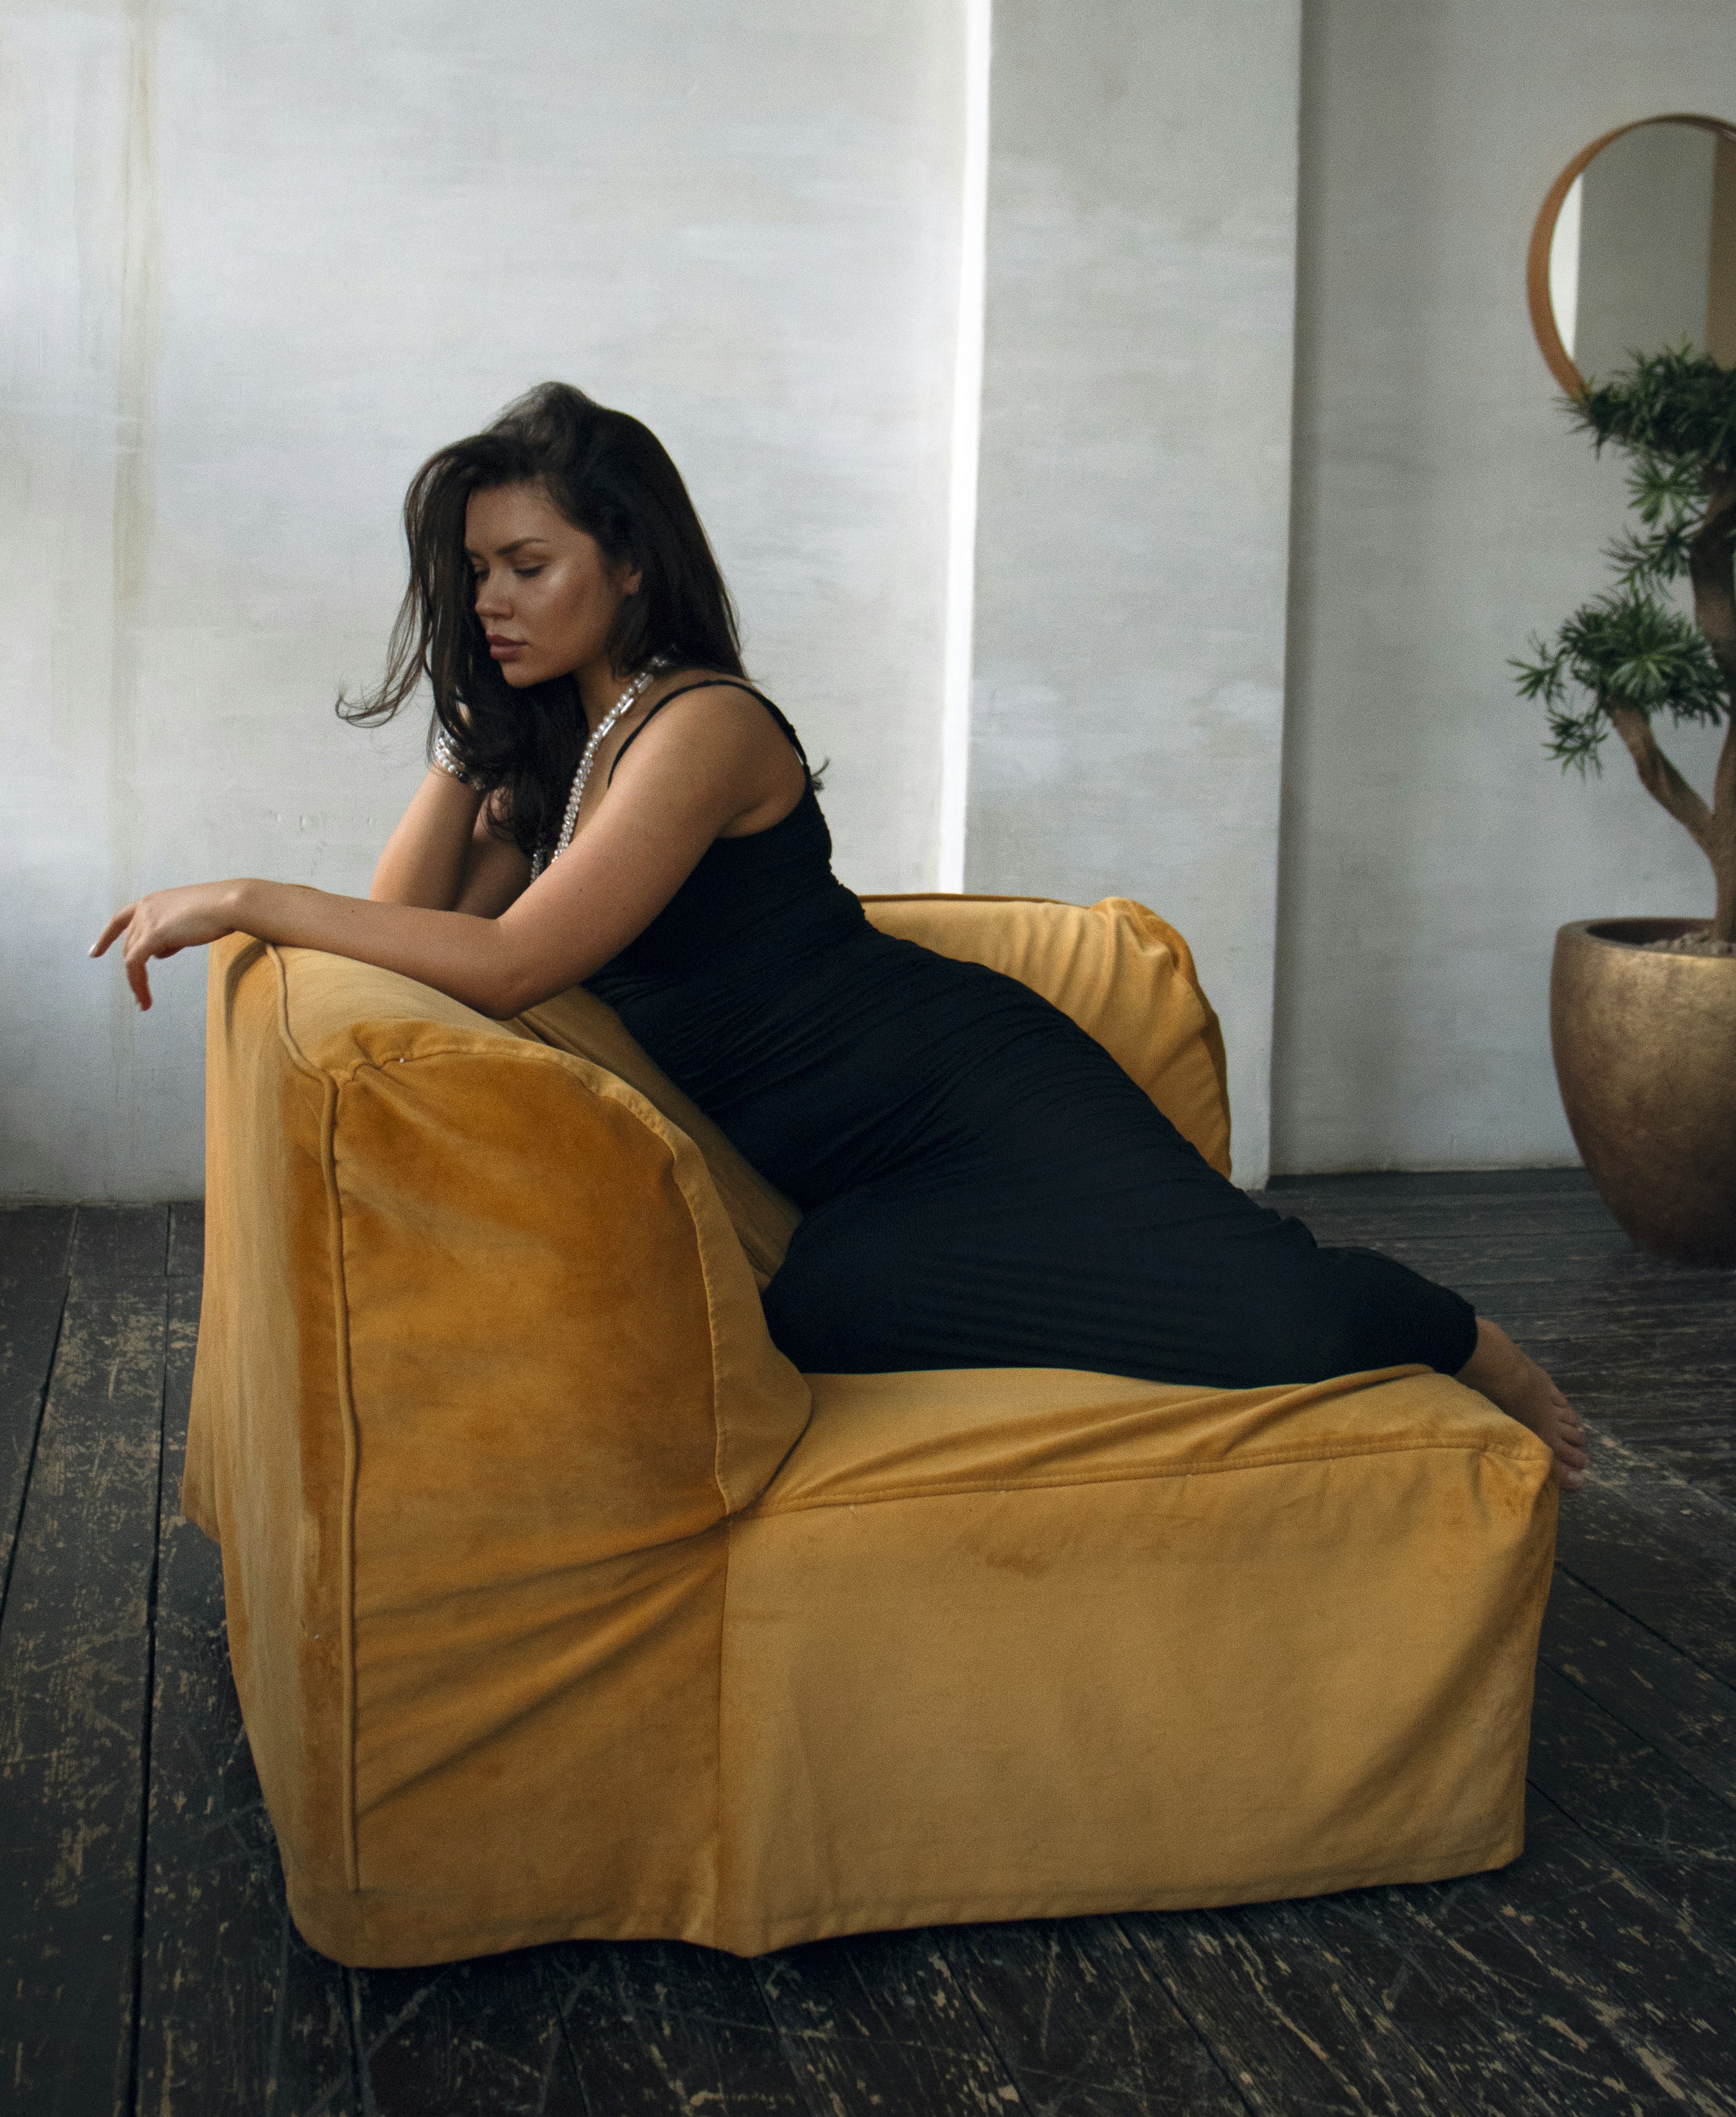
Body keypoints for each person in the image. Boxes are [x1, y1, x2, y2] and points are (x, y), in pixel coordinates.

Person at [94, 382, 1587, 1487]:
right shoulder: (555, 765)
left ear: (627, 561)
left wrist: (234, 895)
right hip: (856, 1187)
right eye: (475, 570)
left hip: (971, 1097)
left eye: (525, 566)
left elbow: (511, 965)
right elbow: (403, 933)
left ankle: (1452, 1335)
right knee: (820, 1314)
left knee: (1262, 1312)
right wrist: (473, 736)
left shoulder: (699, 725)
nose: (490, 598)